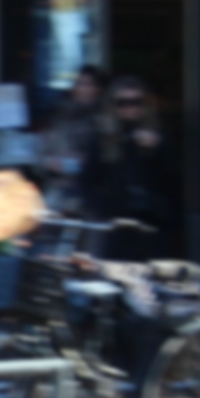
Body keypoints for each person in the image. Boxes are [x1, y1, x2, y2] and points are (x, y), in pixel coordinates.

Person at [78, 76, 181, 261]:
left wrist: (157, 149)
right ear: (113, 105)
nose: (131, 108)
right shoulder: (102, 137)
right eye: (123, 103)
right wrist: (103, 209)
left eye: (137, 102)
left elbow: (173, 180)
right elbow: (86, 181)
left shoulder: (159, 135)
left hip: (151, 223)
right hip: (115, 225)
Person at [39, 66, 108, 213]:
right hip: (58, 195)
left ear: (97, 89)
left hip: (91, 198)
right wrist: (49, 163)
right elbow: (42, 156)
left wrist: (83, 163)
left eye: (87, 84)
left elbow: (107, 162)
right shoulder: (60, 117)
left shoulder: (105, 121)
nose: (82, 89)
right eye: (79, 83)